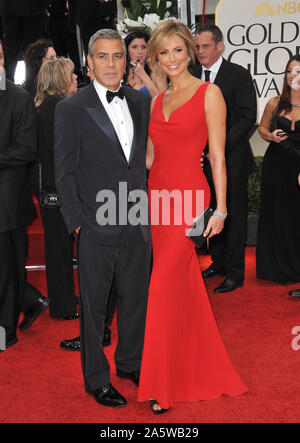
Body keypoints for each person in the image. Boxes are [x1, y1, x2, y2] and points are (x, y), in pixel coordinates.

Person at [137, 20, 247, 414]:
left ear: (190, 51)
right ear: (155, 57)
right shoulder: (153, 102)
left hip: (190, 200)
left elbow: (217, 155)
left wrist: (220, 207)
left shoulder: (209, 93)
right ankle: (194, 365)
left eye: (178, 51)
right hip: (158, 199)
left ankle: (160, 386)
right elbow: (150, 158)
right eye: (163, 53)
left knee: (161, 284)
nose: (171, 59)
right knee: (180, 286)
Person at [54, 29, 152, 408]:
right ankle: (96, 378)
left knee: (135, 300)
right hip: (95, 225)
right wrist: (79, 224)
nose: (111, 64)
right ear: (90, 63)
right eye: (103, 57)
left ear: (125, 62)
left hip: (137, 221)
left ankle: (130, 362)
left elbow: (141, 163)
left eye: (117, 56)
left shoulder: (139, 103)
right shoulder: (71, 109)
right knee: (94, 309)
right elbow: (64, 173)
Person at [193, 24, 257, 294]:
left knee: (232, 216)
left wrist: (217, 146)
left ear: (220, 46)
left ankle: (235, 273)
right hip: (200, 161)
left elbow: (247, 118)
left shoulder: (238, 75)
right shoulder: (192, 75)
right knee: (208, 213)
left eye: (205, 46)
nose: (200, 52)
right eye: (196, 47)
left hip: (231, 160)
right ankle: (217, 263)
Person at [33, 57, 79, 320]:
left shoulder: (51, 105)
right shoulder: (55, 106)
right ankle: (63, 306)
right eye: (71, 75)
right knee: (59, 248)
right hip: (57, 187)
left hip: (55, 185)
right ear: (60, 78)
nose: (76, 79)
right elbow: (63, 150)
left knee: (61, 247)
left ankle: (64, 300)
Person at [0, 39, 37, 351]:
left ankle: (5, 331)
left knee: (7, 271)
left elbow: (26, 149)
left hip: (7, 202)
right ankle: (32, 299)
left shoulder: (19, 97)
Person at [256, 55, 300, 285]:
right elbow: (262, 128)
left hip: (298, 165)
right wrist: (270, 136)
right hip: (276, 165)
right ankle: (275, 268)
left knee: (295, 217)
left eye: (299, 71)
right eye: (290, 71)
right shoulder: (275, 103)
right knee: (276, 215)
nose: (294, 76)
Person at [0, 0, 51, 81]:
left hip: (10, 7)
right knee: (33, 48)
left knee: (12, 48)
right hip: (32, 7)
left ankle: (6, 86)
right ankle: (33, 85)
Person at [124, 28, 167, 97]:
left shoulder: (157, 71)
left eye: (143, 47)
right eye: (134, 47)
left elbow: (163, 101)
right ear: (127, 50)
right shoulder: (122, 72)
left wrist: (143, 75)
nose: (140, 52)